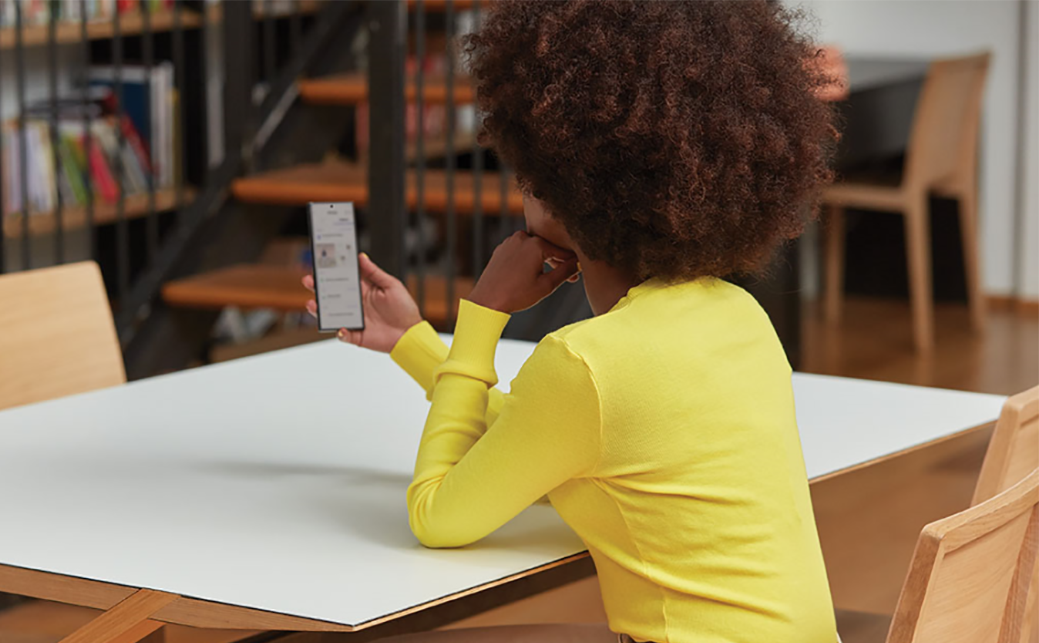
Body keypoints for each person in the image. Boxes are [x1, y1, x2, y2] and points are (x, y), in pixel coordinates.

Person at [304, 0, 838, 641]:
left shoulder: (585, 363)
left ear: (563, 191)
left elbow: (437, 514)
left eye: (528, 174)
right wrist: (415, 343)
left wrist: (482, 314)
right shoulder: (738, 314)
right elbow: (556, 440)